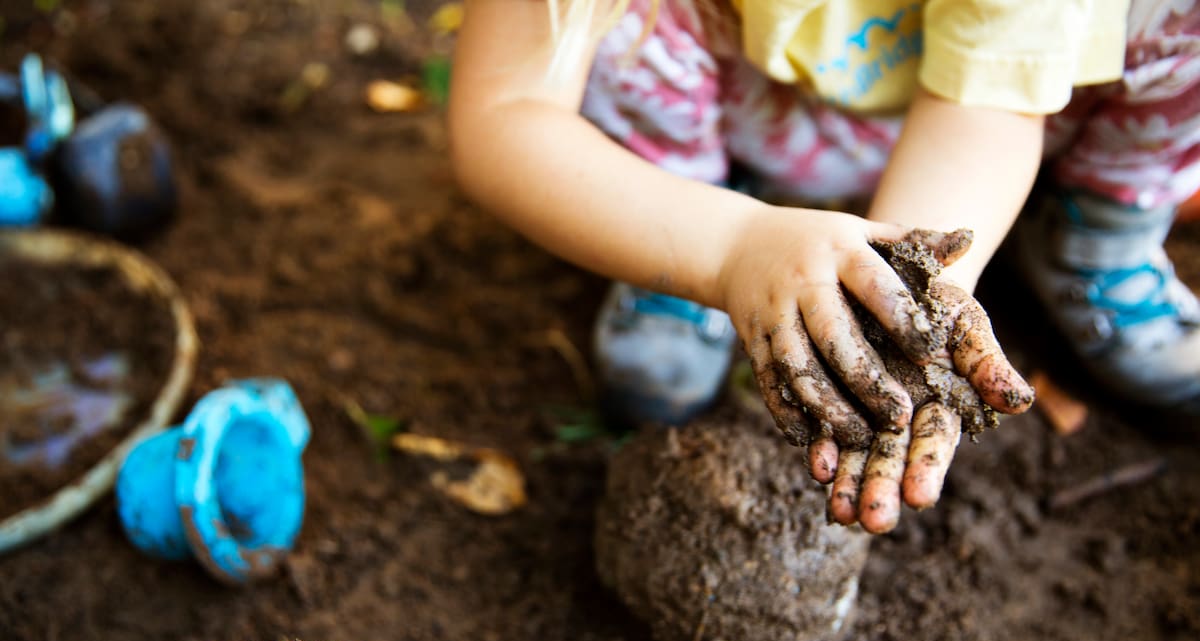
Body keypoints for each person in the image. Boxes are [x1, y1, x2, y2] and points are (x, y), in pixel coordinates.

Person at [447, 0, 1199, 533]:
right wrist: (731, 246)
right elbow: (507, 109)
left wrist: (902, 287)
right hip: (757, 102)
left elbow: (994, 101)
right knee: (602, 23)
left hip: (1000, 111)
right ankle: (678, 223)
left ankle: (1094, 230)